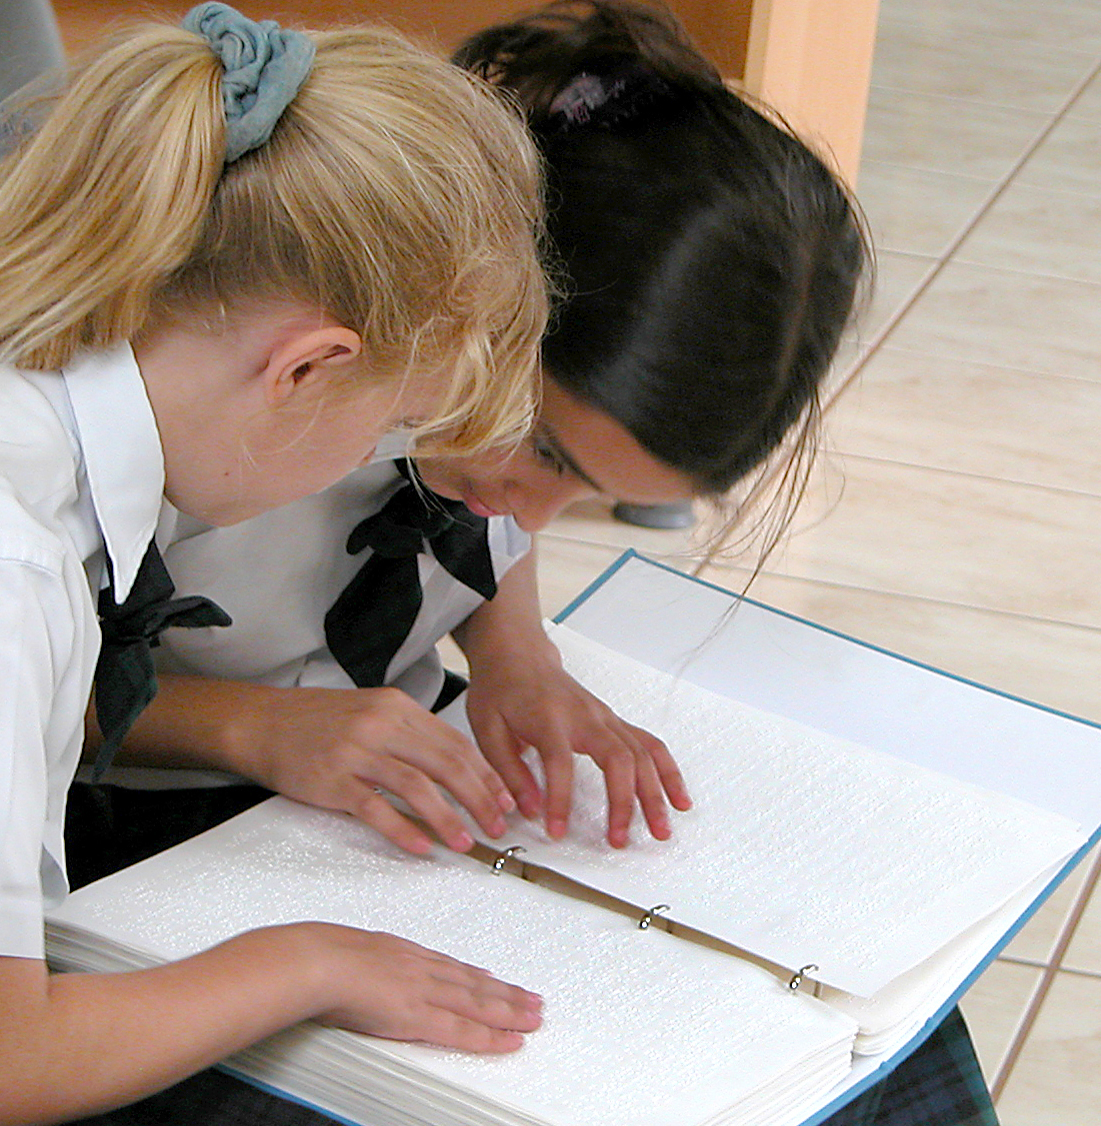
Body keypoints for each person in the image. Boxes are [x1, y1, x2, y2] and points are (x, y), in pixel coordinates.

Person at [72, 4, 998, 1125]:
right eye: (547, 449)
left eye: (591, 495)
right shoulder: (221, 381)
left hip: (344, 774)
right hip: (124, 833)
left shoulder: (472, 412)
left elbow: (481, 520)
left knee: (869, 1043)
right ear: (481, 288)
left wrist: (515, 653)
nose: (533, 513)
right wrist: (245, 726)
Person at [0, 5, 553, 1124]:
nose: (369, 462)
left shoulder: (12, 369)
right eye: (389, 426)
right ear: (304, 368)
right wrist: (310, 960)